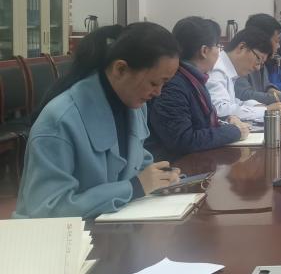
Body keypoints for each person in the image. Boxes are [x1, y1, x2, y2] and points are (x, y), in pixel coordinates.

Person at [15, 23, 182, 218]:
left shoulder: (134, 104)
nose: (158, 93)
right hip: (64, 234)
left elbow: (135, 160)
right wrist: (134, 186)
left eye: (163, 84)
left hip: (112, 224)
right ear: (120, 69)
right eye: (153, 83)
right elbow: (47, 209)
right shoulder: (60, 120)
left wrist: (163, 176)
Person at [146, 17, 250, 161]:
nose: (219, 52)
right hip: (177, 166)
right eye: (217, 46)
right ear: (204, 51)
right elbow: (183, 140)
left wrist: (226, 122)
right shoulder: (174, 85)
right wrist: (234, 132)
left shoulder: (193, 78)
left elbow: (201, 123)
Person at [206, 28, 281, 121]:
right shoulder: (217, 69)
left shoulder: (228, 70)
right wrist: (266, 110)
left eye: (261, 64)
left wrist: (258, 106)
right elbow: (220, 109)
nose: (257, 68)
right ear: (242, 47)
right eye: (258, 59)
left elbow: (232, 103)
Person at [236, 13, 281, 105]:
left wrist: (271, 89)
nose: (278, 46)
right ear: (262, 39)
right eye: (276, 41)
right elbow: (245, 95)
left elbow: (266, 86)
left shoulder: (263, 60)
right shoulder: (243, 60)